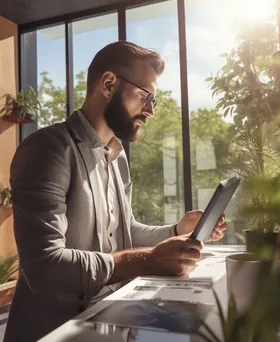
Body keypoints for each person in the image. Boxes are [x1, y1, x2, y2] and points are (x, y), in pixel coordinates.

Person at [4, 41, 227, 342]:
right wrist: (149, 260)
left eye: (153, 101)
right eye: (144, 96)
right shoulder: (47, 150)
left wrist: (175, 230)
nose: (150, 111)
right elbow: (45, 267)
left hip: (112, 319)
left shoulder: (117, 156)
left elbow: (124, 232)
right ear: (108, 84)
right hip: (57, 332)